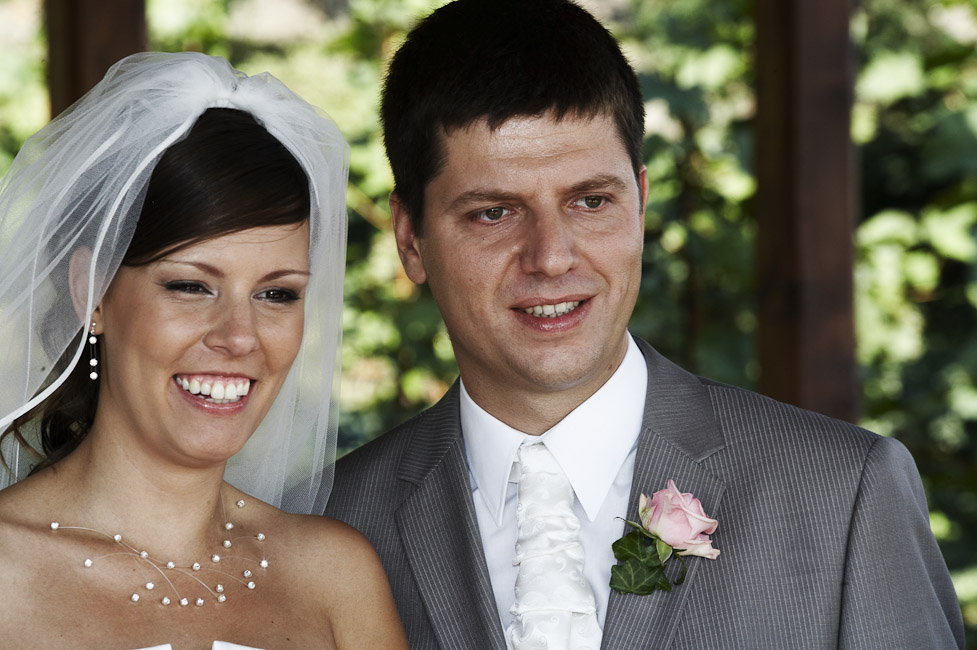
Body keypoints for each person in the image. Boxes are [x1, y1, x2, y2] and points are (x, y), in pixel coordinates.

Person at [324, 1, 965, 648]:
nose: (551, 257)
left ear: (640, 204)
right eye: (494, 213)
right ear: (410, 239)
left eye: (591, 201)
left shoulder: (845, 495)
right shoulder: (327, 523)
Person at [0, 52, 408, 650]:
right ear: (93, 293)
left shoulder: (336, 579)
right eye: (191, 286)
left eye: (276, 293)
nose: (240, 337)